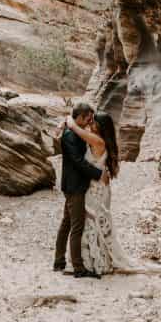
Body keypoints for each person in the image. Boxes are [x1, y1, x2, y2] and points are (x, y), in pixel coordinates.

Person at [62, 110, 136, 275]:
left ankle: (92, 262)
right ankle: (91, 260)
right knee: (91, 222)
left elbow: (75, 127)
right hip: (99, 187)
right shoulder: (100, 140)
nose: (90, 123)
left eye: (93, 122)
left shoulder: (97, 141)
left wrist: (68, 119)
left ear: (100, 127)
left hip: (95, 189)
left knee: (90, 223)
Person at [55, 102, 109, 278]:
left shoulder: (75, 131)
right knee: (77, 226)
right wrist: (98, 174)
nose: (89, 121)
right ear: (79, 117)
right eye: (87, 118)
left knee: (67, 223)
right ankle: (78, 268)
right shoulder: (70, 136)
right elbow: (78, 162)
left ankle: (59, 261)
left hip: (73, 184)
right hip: (75, 186)